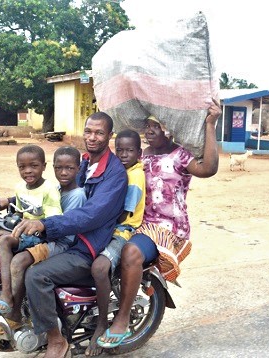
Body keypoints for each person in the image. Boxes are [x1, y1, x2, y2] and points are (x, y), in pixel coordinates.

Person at [97, 99, 222, 348]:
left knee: (131, 253)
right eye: (148, 125)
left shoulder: (180, 155)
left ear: (171, 128)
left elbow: (208, 168)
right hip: (136, 223)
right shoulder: (138, 155)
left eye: (158, 125)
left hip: (166, 228)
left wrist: (210, 125)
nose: (150, 130)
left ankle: (122, 319)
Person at [12, 111, 128, 358]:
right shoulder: (85, 161)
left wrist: (46, 225)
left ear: (109, 136)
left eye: (99, 133)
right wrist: (11, 201)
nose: (93, 137)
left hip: (88, 244)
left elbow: (91, 215)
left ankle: (57, 340)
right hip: (71, 236)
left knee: (36, 275)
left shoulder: (115, 173)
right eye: (88, 131)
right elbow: (55, 190)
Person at [0, 146, 87, 334]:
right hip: (38, 235)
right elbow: (30, 204)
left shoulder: (76, 195)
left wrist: (32, 228)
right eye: (59, 168)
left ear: (78, 169)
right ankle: (7, 296)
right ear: (53, 168)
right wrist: (7, 206)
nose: (63, 172)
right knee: (1, 242)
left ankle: (15, 314)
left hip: (59, 242)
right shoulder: (55, 188)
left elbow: (63, 226)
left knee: (20, 262)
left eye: (69, 168)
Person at [85, 129, 145, 356]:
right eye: (119, 150)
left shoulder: (135, 176)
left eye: (130, 151)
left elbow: (124, 213)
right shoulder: (119, 169)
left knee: (99, 267)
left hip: (123, 230)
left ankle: (102, 322)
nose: (124, 154)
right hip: (112, 225)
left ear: (139, 152)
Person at [0, 144, 62, 315]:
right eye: (22, 167)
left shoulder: (49, 190)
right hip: (26, 233)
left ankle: (6, 295)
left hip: (42, 237)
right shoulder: (20, 188)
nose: (28, 171)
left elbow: (51, 222)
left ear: (44, 166)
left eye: (34, 166)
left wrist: (10, 234)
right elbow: (21, 215)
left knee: (4, 240)